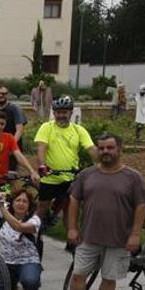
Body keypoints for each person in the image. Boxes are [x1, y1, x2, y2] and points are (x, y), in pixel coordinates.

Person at [57, 134, 145, 290]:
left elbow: (141, 206)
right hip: (88, 236)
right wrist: (72, 228)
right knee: (78, 275)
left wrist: (135, 235)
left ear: (119, 150)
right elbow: (74, 200)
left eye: (110, 148)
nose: (105, 152)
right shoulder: (86, 175)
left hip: (118, 240)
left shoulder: (133, 178)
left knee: (109, 278)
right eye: (102, 148)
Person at [33, 95, 96, 230]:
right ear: (54, 113)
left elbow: (91, 149)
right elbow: (41, 148)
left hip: (70, 178)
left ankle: (72, 240)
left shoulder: (79, 130)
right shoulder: (47, 127)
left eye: (65, 112)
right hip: (50, 177)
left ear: (71, 113)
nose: (61, 115)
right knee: (42, 209)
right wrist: (42, 165)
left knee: (70, 210)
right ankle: (32, 235)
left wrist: (103, 165)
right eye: (58, 112)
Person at [0, 187, 42, 290]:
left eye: (25, 201)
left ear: (29, 205)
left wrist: (3, 208)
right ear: (12, 203)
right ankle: (11, 285)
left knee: (29, 280)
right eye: (18, 200)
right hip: (5, 261)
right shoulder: (3, 214)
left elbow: (18, 226)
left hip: (27, 261)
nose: (21, 204)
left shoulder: (34, 221)